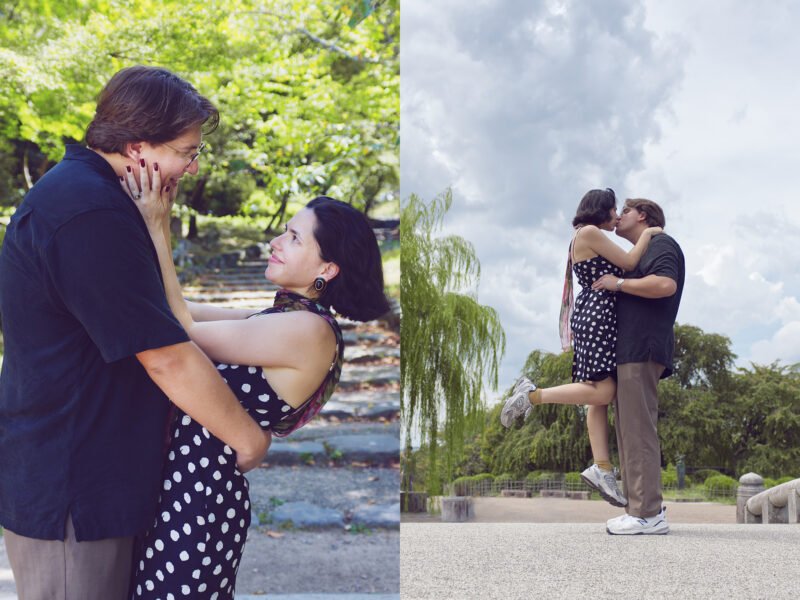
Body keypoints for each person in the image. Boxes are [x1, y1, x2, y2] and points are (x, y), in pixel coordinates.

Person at [0, 66, 271, 600]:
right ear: (137, 145)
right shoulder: (89, 214)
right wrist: (248, 437)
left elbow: (164, 319)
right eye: (186, 152)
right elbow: (165, 353)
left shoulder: (95, 198)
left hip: (97, 470)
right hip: (74, 483)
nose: (192, 168)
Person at [122, 161, 389, 598]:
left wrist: (158, 224)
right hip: (182, 486)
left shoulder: (309, 331)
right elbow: (180, 309)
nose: (275, 241)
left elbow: (181, 331)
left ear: (328, 270)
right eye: (284, 231)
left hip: (198, 497)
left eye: (294, 237)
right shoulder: (282, 318)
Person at [500, 188, 661, 507]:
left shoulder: (585, 235)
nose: (616, 216)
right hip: (598, 314)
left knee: (594, 395)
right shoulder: (588, 232)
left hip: (595, 313)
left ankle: (602, 468)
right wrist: (652, 233)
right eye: (614, 210)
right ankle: (533, 394)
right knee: (604, 392)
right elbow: (629, 261)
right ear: (600, 210)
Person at [591, 198, 684, 535]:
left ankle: (647, 513)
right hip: (629, 352)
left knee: (638, 430)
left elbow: (665, 284)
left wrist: (619, 283)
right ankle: (640, 509)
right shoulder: (641, 251)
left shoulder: (661, 243)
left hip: (642, 349)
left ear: (642, 215)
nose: (619, 216)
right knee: (629, 430)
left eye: (626, 211)